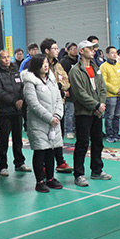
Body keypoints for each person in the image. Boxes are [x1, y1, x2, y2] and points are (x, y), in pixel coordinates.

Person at [69, 40, 112, 187]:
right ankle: (79, 174)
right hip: (84, 113)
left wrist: (101, 104)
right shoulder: (75, 71)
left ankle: (97, 170)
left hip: (97, 112)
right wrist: (96, 105)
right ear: (81, 51)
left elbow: (103, 88)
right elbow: (80, 93)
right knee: (82, 143)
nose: (93, 51)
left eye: (94, 49)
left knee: (98, 142)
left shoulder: (96, 68)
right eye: (89, 49)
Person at [21, 54, 64, 193]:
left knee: (51, 150)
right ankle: (39, 181)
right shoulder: (30, 82)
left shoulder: (51, 79)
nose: (46, 66)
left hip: (53, 122)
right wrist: (49, 118)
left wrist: (57, 115)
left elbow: (58, 99)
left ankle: (50, 178)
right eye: (42, 63)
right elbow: (33, 103)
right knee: (40, 151)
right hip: (38, 123)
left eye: (47, 63)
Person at [0, 50, 29, 176]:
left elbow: (22, 87)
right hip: (5, 111)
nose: (7, 60)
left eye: (8, 57)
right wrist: (14, 101)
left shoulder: (15, 71)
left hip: (17, 111)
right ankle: (3, 166)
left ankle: (19, 163)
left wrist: (21, 99)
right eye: (3, 58)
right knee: (4, 139)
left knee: (18, 138)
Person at [40, 38, 72, 174]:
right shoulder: (39, 64)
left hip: (59, 104)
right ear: (47, 51)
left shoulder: (58, 64)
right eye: (54, 48)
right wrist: (55, 88)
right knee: (45, 136)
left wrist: (60, 86)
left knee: (59, 134)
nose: (58, 51)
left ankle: (60, 161)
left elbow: (66, 81)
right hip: (46, 106)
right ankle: (43, 164)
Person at [100, 46, 120, 142]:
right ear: (107, 54)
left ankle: (116, 133)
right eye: (112, 53)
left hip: (119, 95)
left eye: (116, 53)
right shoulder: (104, 66)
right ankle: (109, 135)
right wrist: (115, 90)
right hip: (110, 95)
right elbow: (104, 81)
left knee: (117, 115)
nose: (115, 55)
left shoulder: (118, 66)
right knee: (109, 116)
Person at [59, 42, 79, 139]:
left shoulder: (79, 61)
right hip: (69, 91)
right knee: (69, 112)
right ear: (67, 50)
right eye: (72, 49)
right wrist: (65, 89)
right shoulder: (64, 62)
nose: (75, 51)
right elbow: (62, 77)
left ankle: (76, 129)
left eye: (76, 48)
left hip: (78, 91)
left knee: (77, 112)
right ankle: (69, 130)